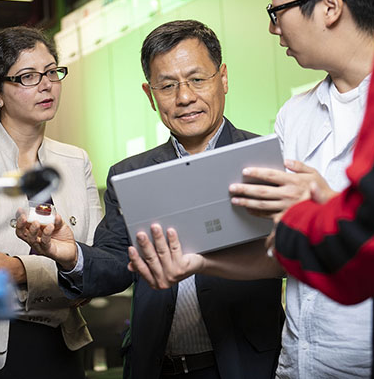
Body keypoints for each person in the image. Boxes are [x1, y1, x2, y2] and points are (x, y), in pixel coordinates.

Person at [130, 0, 374, 378]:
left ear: (328, 7)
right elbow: (285, 249)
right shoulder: (294, 116)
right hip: (299, 362)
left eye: (276, 9)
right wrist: (205, 263)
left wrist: (332, 207)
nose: (273, 27)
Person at [17, 20, 285, 379]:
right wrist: (71, 255)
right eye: (168, 85)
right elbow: (115, 264)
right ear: (149, 93)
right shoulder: (129, 175)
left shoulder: (264, 160)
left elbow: (290, 254)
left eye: (197, 79)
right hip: (157, 367)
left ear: (222, 78)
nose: (184, 96)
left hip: (245, 366)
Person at [0, 26, 103, 378]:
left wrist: (17, 269)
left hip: (61, 346)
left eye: (52, 71)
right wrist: (64, 276)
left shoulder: (75, 160)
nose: (46, 84)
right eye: (28, 76)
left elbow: (95, 270)